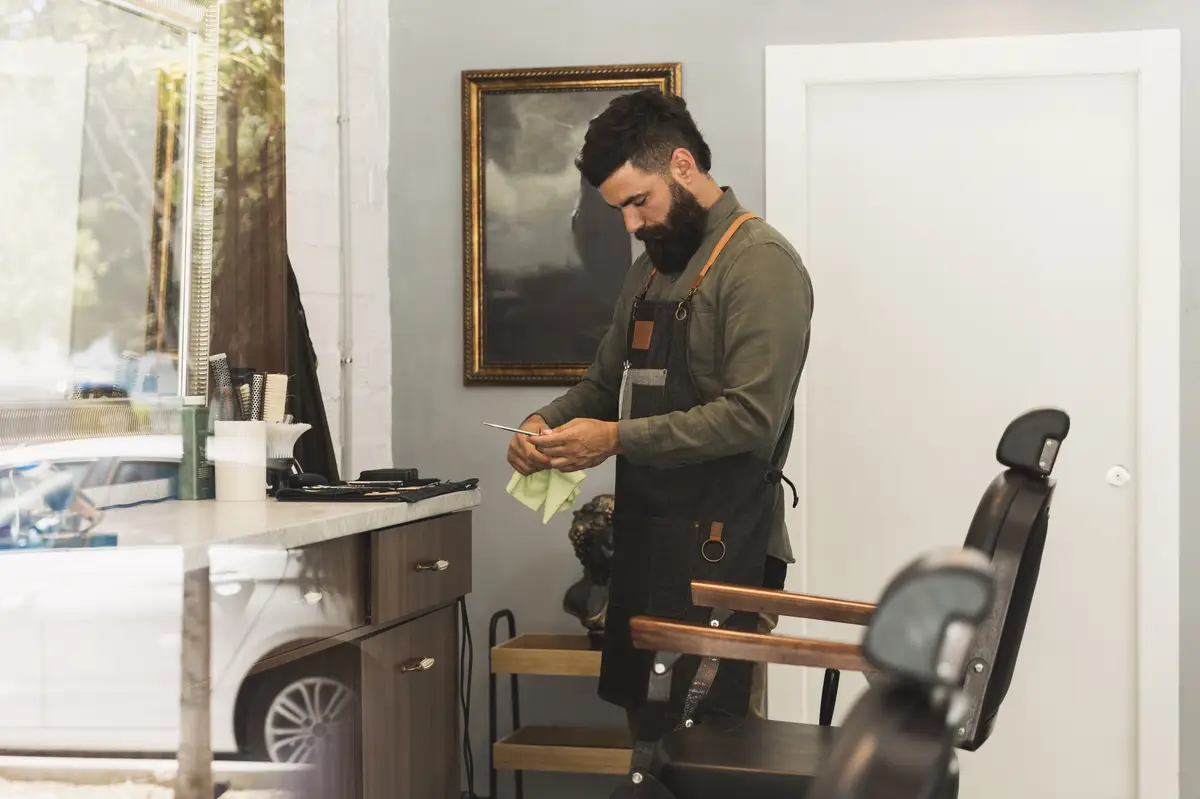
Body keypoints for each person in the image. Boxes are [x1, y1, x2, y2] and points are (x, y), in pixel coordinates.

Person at [506, 88, 814, 732]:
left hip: (723, 555)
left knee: (712, 751)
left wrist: (614, 438)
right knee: (649, 749)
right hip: (648, 547)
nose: (630, 224)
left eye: (636, 201)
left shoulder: (759, 266)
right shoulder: (650, 272)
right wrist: (543, 425)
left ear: (681, 165)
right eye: (618, 208)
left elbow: (750, 418)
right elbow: (600, 383)